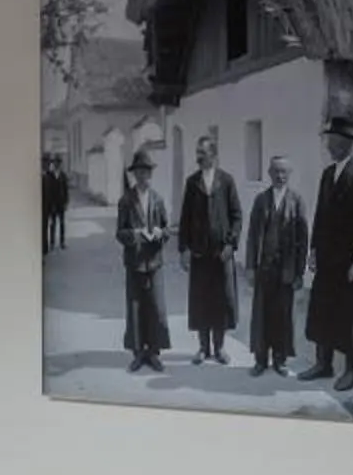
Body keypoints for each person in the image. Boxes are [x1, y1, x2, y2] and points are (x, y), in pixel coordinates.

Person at [306, 106, 353, 390]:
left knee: (349, 315)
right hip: (326, 259)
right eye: (329, 140)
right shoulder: (327, 175)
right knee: (322, 310)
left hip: (348, 263)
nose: (330, 145)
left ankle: (352, 369)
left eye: (336, 141)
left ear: (347, 143)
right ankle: (323, 364)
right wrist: (313, 250)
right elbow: (320, 215)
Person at [177, 130, 242, 364]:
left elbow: (236, 215)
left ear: (214, 155)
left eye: (202, 153)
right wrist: (183, 249)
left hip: (221, 254)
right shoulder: (192, 182)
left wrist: (231, 244)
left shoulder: (226, 181)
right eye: (197, 153)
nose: (198, 157)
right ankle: (203, 348)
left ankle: (220, 348)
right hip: (199, 253)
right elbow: (184, 218)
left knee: (221, 300)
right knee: (201, 300)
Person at [245, 151, 308, 375]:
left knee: (283, 314)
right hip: (265, 268)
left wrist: (300, 272)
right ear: (270, 173)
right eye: (276, 171)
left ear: (289, 174)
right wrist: (250, 267)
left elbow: (303, 239)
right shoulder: (261, 200)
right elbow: (252, 236)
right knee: (262, 314)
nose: (280, 175)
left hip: (287, 269)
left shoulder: (297, 201)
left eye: (284, 171)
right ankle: (260, 360)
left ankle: (280, 360)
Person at [115, 146, 169, 373]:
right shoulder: (126, 200)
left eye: (146, 171)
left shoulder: (157, 199)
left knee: (156, 307)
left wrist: (160, 233)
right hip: (134, 261)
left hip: (154, 261)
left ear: (151, 174)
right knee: (136, 306)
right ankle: (138, 353)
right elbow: (120, 232)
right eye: (138, 172)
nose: (142, 175)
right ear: (134, 174)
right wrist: (135, 235)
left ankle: (154, 352)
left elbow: (166, 229)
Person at [41, 154, 69, 254]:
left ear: (60, 164)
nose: (57, 164)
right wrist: (51, 204)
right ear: (54, 164)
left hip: (61, 203)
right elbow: (50, 191)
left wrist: (66, 202)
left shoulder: (63, 175)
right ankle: (52, 242)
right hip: (53, 204)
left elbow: (66, 190)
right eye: (56, 163)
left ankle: (62, 242)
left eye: (58, 163)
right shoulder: (50, 175)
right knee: (53, 223)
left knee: (62, 223)